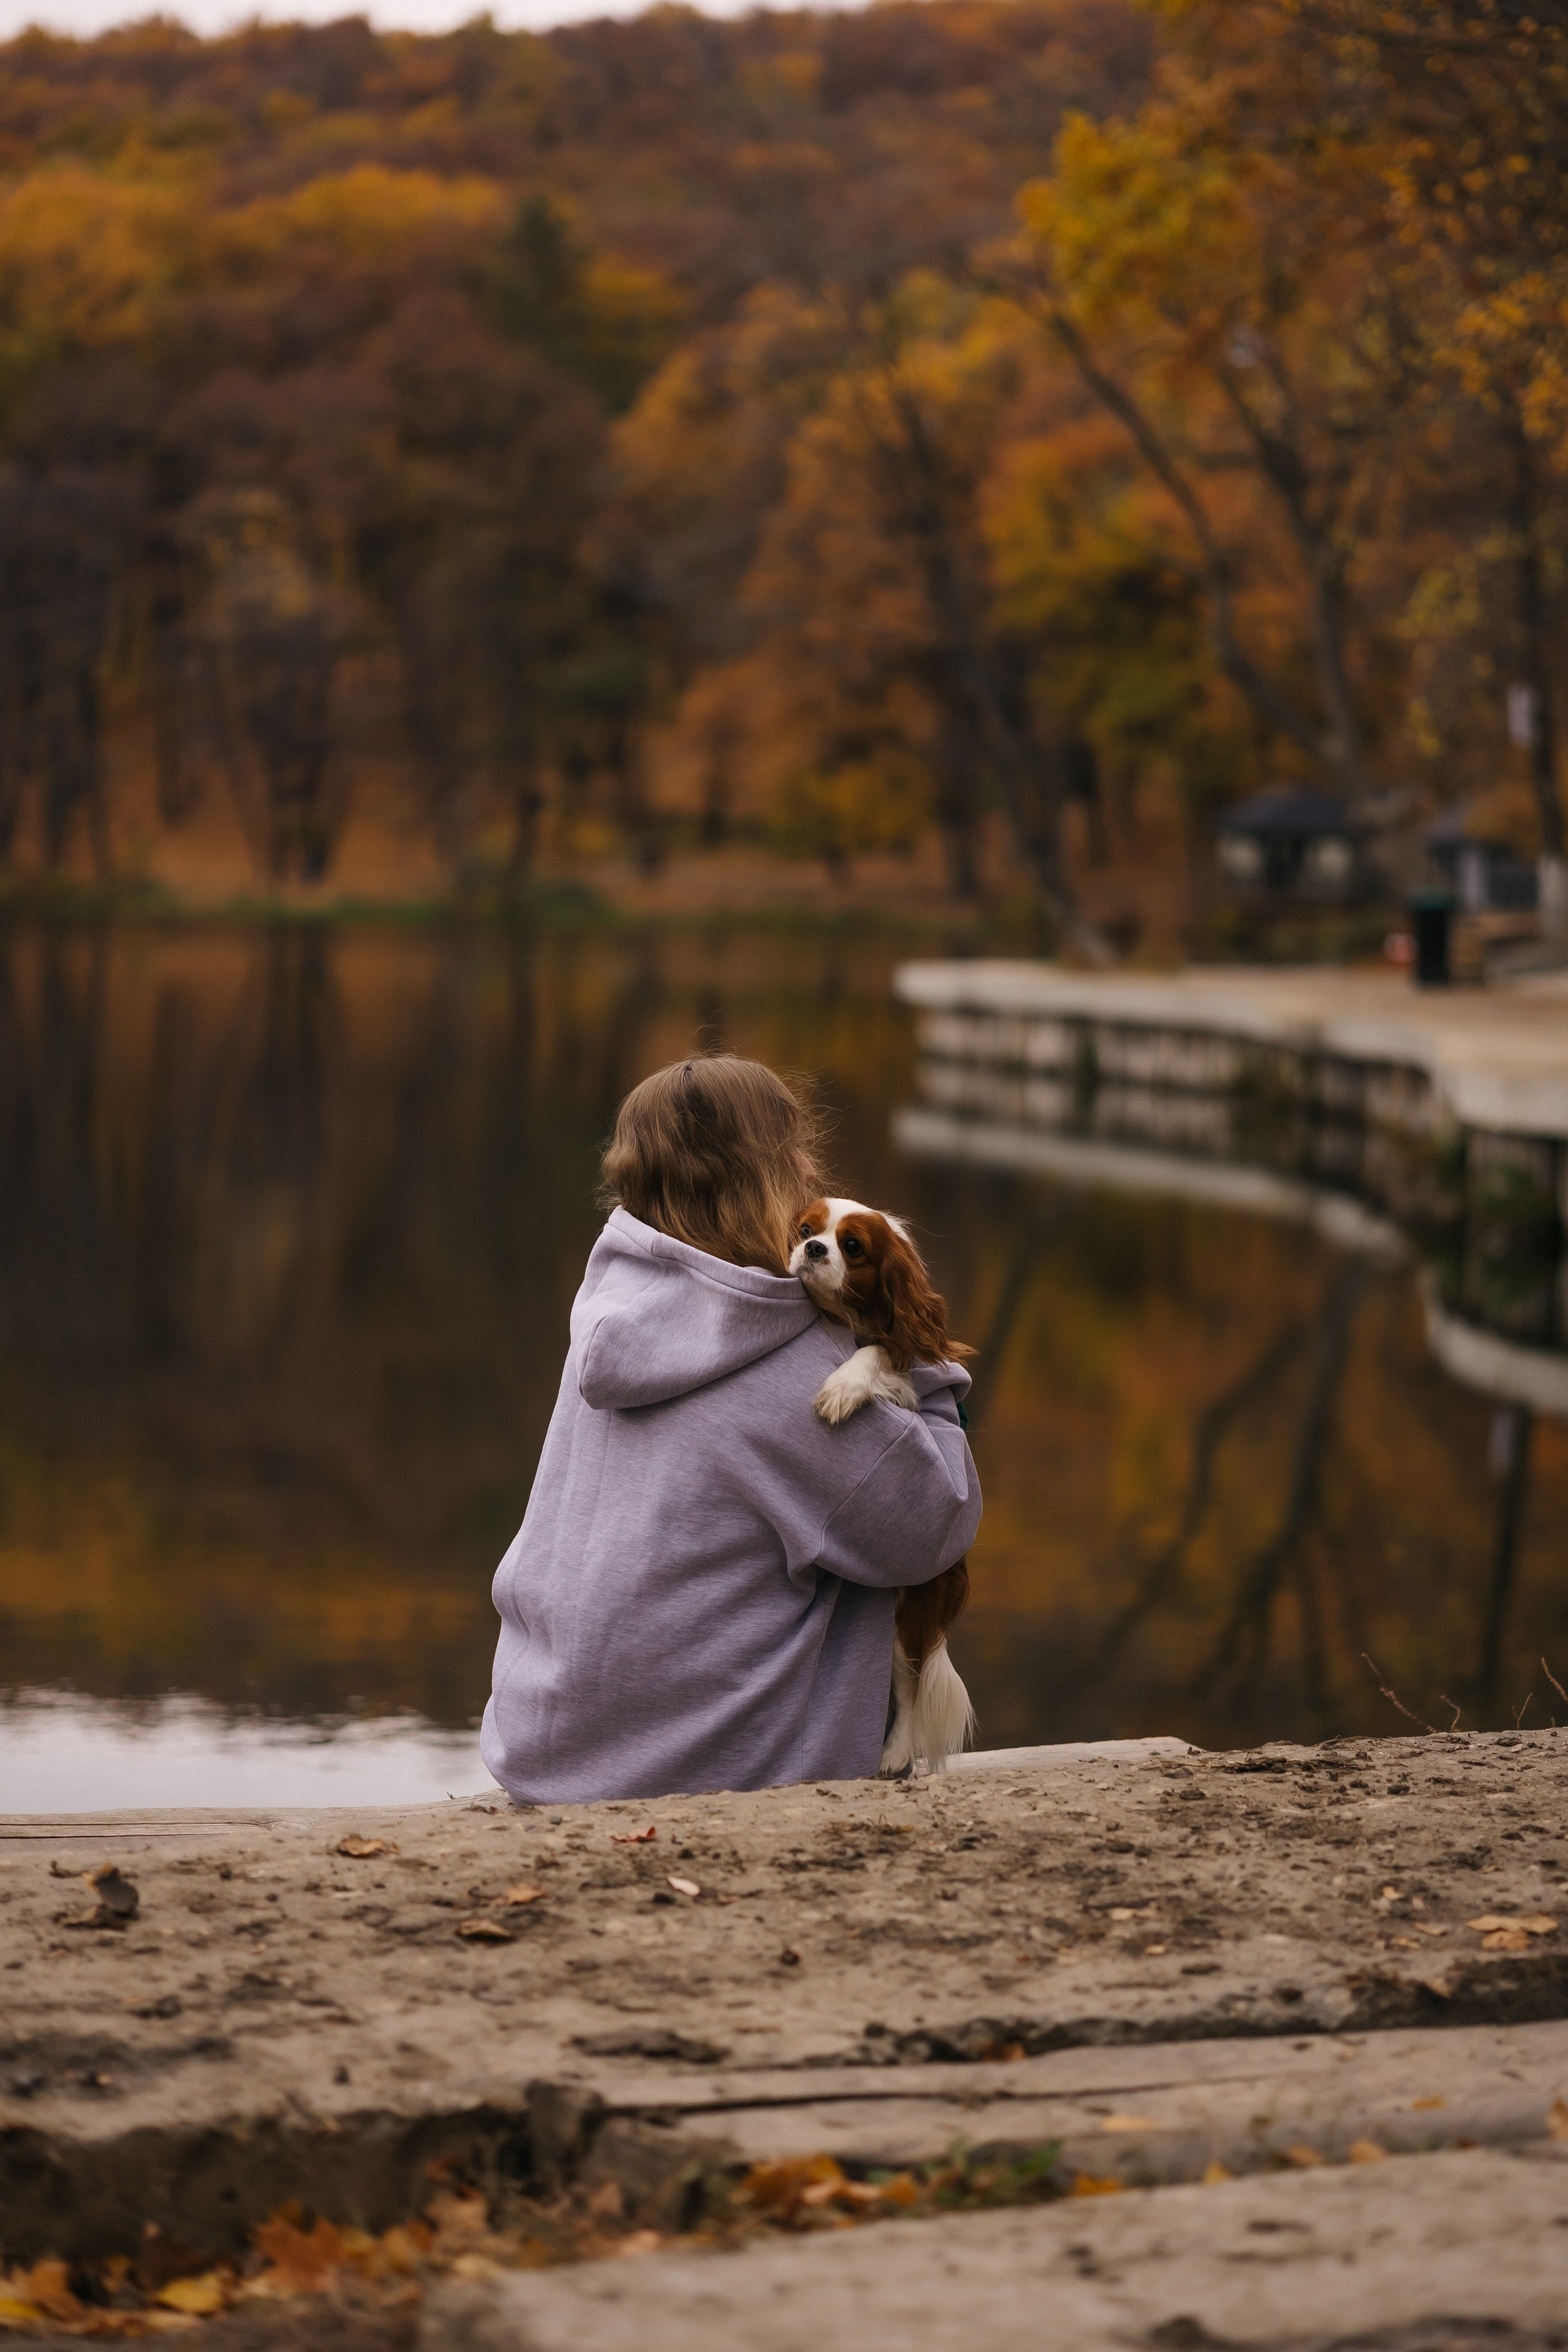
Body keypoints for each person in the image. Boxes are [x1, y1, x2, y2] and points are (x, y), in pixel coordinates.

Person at [480, 1054, 981, 1803]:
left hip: (546, 1748)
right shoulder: (789, 1361)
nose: (813, 1174)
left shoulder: (613, 1300)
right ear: (772, 1176)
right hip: (700, 1772)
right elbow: (934, 1526)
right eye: (798, 1158)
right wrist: (914, 1358)